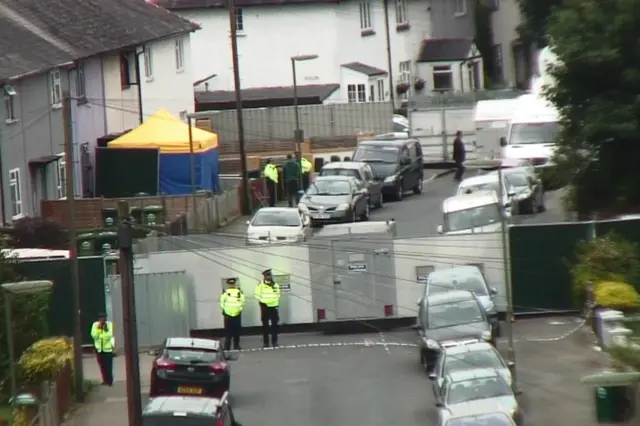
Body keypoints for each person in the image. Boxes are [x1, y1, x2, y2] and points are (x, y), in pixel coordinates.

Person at [254, 269, 281, 348]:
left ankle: (274, 342)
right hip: (265, 307)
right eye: (267, 276)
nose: (269, 277)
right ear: (264, 277)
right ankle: (266, 342)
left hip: (274, 307)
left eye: (270, 275)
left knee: (274, 326)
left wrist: (275, 303)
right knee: (265, 326)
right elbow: (256, 295)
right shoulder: (260, 285)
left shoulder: (275, 285)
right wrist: (262, 303)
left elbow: (278, 294)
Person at [219, 278, 246, 350]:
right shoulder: (225, 293)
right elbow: (222, 303)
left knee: (237, 331)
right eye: (230, 284)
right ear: (228, 284)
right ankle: (227, 346)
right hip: (228, 315)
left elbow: (242, 302)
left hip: (237, 314)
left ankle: (236, 345)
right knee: (228, 332)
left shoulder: (239, 292)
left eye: (233, 284)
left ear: (235, 284)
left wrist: (239, 309)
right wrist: (226, 311)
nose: (232, 285)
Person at [90, 313, 114, 386]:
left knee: (109, 365)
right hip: (99, 349)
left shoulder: (109, 324)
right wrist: (98, 329)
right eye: (101, 318)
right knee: (102, 366)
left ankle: (110, 381)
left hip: (108, 349)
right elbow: (94, 335)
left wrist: (101, 336)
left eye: (104, 318)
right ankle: (105, 380)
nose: (103, 320)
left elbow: (109, 335)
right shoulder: (95, 325)